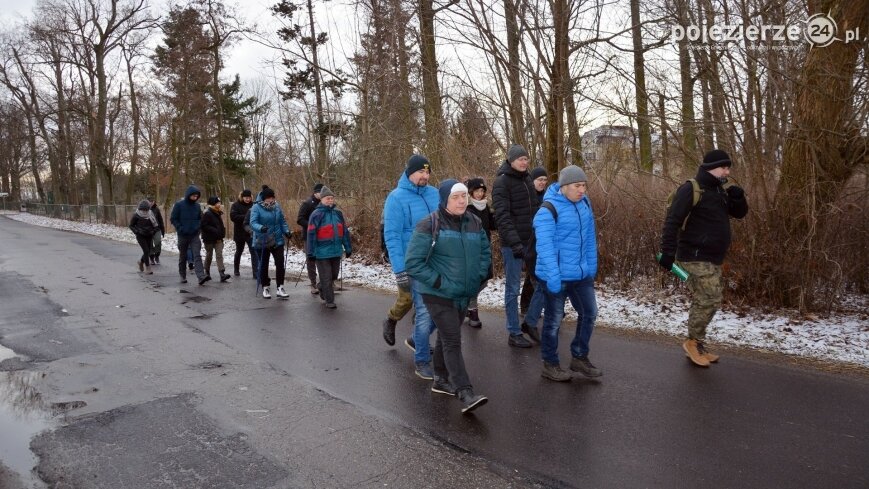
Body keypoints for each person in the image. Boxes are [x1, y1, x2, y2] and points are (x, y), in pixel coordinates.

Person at [405, 179, 491, 413]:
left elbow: (485, 251)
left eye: (464, 196)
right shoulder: (430, 224)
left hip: (464, 293)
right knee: (453, 339)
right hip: (438, 294)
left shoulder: (474, 221)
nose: (462, 200)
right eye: (456, 197)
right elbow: (413, 263)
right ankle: (465, 391)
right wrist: (439, 282)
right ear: (444, 200)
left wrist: (479, 276)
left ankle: (441, 379)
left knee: (445, 337)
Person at [659, 149, 748, 367]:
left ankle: (697, 342)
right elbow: (673, 221)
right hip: (693, 256)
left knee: (711, 299)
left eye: (728, 167)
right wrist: (667, 253)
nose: (727, 171)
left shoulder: (720, 190)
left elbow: (739, 213)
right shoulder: (691, 188)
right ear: (711, 168)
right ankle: (692, 343)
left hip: (713, 257)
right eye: (723, 167)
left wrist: (738, 198)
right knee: (708, 297)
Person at [533, 165, 601, 382]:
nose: (582, 190)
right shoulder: (547, 210)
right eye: (577, 186)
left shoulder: (584, 204)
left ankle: (579, 357)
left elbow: (590, 239)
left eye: (584, 185)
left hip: (581, 275)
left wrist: (591, 267)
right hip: (557, 277)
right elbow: (544, 248)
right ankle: (550, 364)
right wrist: (553, 277)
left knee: (589, 313)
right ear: (564, 187)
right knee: (553, 322)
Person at [382, 155, 440, 379]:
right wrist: (400, 270)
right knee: (424, 310)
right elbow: (392, 236)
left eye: (428, 172)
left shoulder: (435, 194)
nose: (425, 176)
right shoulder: (396, 198)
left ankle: (417, 339)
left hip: (437, 261)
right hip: (413, 262)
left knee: (444, 307)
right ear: (409, 172)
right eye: (420, 172)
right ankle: (422, 360)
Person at [492, 144, 539, 348]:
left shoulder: (528, 179)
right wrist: (515, 243)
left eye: (526, 159)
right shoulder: (502, 182)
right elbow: (502, 217)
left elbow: (535, 210)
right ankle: (514, 332)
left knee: (543, 284)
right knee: (512, 289)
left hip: (532, 243)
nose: (524, 162)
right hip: (513, 245)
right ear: (510, 160)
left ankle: (530, 322)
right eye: (520, 159)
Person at [306, 186, 351, 309]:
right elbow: (311, 234)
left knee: (333, 275)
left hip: (336, 251)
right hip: (321, 252)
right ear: (322, 199)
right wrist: (311, 252)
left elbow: (345, 231)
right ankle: (329, 300)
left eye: (332, 198)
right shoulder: (316, 214)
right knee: (326, 277)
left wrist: (348, 247)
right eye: (327, 198)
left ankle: (321, 287)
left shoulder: (338, 213)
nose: (330, 200)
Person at [520, 167, 550, 340]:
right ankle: (530, 319)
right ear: (532, 181)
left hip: (542, 248)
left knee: (538, 284)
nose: (542, 182)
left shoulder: (548, 198)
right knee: (540, 285)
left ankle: (532, 315)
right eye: (539, 179)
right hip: (530, 248)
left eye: (545, 180)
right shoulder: (527, 198)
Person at [464, 177, 496, 328]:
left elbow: (493, 225)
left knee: (483, 281)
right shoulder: (467, 209)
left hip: (485, 249)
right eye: (477, 190)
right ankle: (472, 311)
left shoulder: (486, 207)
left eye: (482, 191)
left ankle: (464, 305)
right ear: (471, 192)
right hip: (471, 251)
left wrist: (498, 212)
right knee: (475, 281)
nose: (479, 193)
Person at [249, 186, 291, 299]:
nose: (271, 200)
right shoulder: (256, 207)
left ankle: (280, 287)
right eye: (268, 198)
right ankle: (265, 287)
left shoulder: (277, 206)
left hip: (277, 240)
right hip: (262, 240)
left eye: (272, 197)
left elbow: (282, 221)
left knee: (280, 263)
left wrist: (286, 231)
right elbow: (252, 223)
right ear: (263, 199)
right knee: (263, 265)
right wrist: (261, 227)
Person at [170, 185, 209, 285]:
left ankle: (201, 276)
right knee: (183, 256)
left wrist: (198, 227)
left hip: (194, 235)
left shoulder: (197, 206)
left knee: (197, 255)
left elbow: (200, 218)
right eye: (193, 196)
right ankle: (182, 275)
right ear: (188, 195)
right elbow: (173, 218)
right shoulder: (179, 205)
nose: (195, 198)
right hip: (182, 235)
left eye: (196, 196)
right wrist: (180, 228)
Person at [297, 183, 324, 294]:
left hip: (323, 236)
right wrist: (312, 226)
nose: (322, 195)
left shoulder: (325, 203)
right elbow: (299, 219)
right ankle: (313, 284)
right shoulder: (307, 203)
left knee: (323, 259)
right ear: (315, 192)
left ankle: (326, 283)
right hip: (309, 236)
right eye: (320, 193)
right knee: (311, 260)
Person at [201, 196, 231, 283]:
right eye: (217, 203)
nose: (219, 204)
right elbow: (203, 225)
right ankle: (206, 271)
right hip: (209, 239)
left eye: (219, 203)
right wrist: (214, 230)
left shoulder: (217, 212)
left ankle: (222, 273)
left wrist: (222, 232)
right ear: (213, 204)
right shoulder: (207, 213)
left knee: (219, 255)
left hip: (218, 238)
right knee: (209, 255)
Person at [230, 189, 258, 278]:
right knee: (239, 251)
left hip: (250, 232)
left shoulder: (254, 205)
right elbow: (233, 217)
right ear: (242, 197)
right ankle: (236, 269)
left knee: (253, 252)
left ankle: (255, 273)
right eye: (246, 197)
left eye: (249, 197)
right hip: (239, 232)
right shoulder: (235, 205)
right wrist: (247, 217)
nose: (248, 199)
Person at [130, 200, 158, 275]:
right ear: (140, 209)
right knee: (146, 251)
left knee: (148, 251)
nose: (145, 211)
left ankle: (141, 261)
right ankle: (148, 268)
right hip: (140, 236)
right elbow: (131, 225)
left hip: (149, 235)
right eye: (143, 209)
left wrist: (153, 231)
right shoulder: (136, 215)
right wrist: (137, 232)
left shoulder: (151, 214)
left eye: (146, 209)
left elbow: (155, 225)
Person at [147, 197, 165, 265]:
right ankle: (151, 258)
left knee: (158, 242)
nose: (151, 203)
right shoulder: (144, 209)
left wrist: (163, 230)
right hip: (148, 230)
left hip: (157, 229)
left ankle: (157, 256)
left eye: (152, 201)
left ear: (154, 202)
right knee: (150, 244)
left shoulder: (156, 209)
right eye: (149, 201)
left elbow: (160, 220)